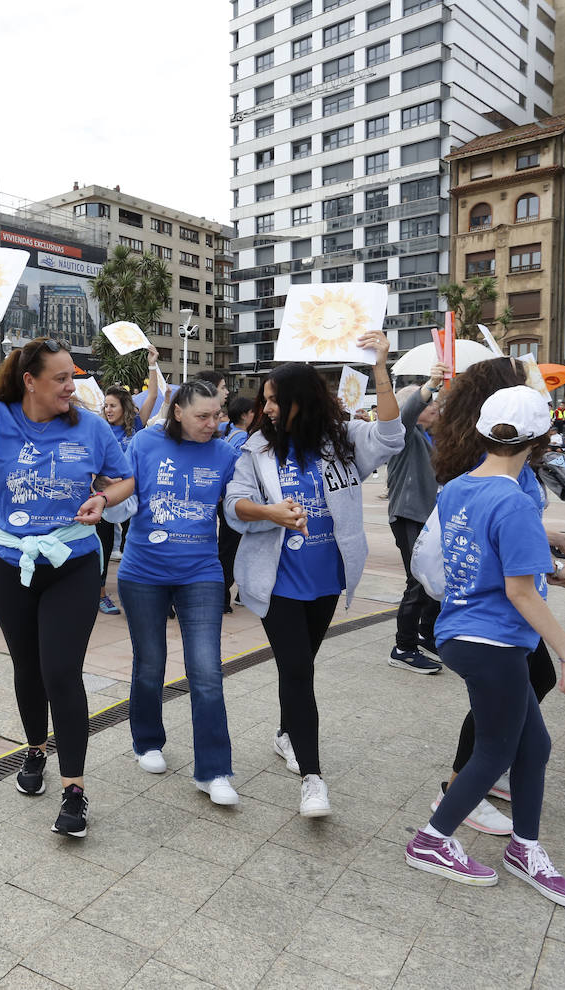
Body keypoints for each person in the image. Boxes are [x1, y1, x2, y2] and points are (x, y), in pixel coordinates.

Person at [0, 310, 133, 838]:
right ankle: (34, 751)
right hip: (8, 560)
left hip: (72, 560)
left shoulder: (90, 426)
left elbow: (123, 480)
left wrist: (101, 497)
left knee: (62, 670)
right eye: (62, 378)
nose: (74, 386)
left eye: (74, 376)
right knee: (27, 665)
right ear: (30, 381)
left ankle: (74, 790)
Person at [404, 385, 565, 909]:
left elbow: (493, 552)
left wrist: (545, 541)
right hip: (495, 640)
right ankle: (433, 840)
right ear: (541, 439)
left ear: (484, 431)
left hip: (460, 630)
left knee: (534, 746)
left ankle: (524, 847)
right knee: (494, 751)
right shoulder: (514, 500)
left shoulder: (459, 486)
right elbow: (520, 590)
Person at [224, 331, 403, 817]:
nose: (270, 409)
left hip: (328, 581)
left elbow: (391, 435)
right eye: (266, 401)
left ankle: (286, 733)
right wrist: (269, 512)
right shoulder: (257, 447)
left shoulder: (342, 441)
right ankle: (313, 779)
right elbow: (233, 504)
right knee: (299, 672)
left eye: (277, 401)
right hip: (276, 581)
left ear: (302, 401)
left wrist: (381, 369)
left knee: (299, 667)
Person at [119, 380, 240, 806]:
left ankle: (214, 771)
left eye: (217, 415)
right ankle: (147, 740)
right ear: (178, 413)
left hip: (201, 572)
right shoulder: (144, 443)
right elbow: (121, 495)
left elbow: (236, 510)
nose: (212, 423)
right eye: (203, 416)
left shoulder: (227, 453)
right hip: (142, 571)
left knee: (206, 670)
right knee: (150, 662)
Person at [385, 363, 450, 675]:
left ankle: (424, 633)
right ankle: (403, 647)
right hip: (408, 514)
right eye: (430, 403)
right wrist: (432, 383)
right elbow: (407, 412)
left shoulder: (425, 436)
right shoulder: (403, 432)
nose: (435, 406)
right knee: (419, 581)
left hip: (425, 516)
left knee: (431, 577)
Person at [95, 384, 143, 615]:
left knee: (131, 543)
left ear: (124, 407)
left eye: (113, 405)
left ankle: (131, 595)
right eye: (105, 406)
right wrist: (102, 481)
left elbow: (152, 397)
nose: (108, 409)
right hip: (105, 496)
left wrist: (153, 364)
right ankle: (100, 595)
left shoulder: (136, 429)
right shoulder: (101, 430)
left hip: (131, 496)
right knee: (103, 546)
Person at [219, 396, 256, 611]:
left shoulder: (229, 432)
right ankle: (223, 597)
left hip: (225, 500)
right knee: (230, 551)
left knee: (227, 548)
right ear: (244, 414)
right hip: (234, 502)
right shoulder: (242, 438)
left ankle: (233, 594)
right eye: (253, 412)